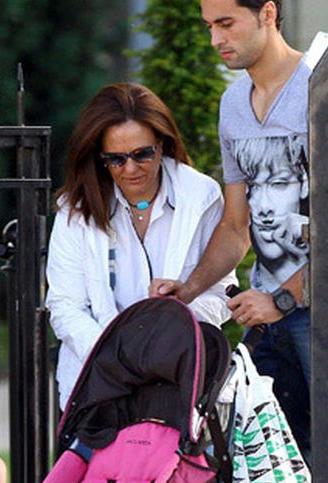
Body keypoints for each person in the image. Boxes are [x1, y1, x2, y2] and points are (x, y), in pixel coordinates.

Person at [151, 1, 328, 483]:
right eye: (208, 27)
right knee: (278, 479)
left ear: (268, 13)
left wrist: (283, 299)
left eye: (226, 24)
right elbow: (234, 227)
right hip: (266, 320)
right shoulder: (234, 104)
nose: (215, 40)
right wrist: (189, 287)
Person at [45, 82, 237, 409]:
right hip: (98, 387)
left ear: (162, 144)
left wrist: (174, 327)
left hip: (178, 384)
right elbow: (65, 306)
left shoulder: (201, 197)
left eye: (142, 154)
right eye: (116, 159)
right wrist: (116, 357)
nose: (131, 169)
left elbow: (221, 292)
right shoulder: (74, 209)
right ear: (99, 157)